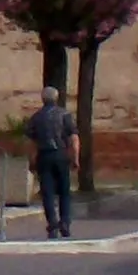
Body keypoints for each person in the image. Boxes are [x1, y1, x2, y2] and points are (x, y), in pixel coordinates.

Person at [26, 82, 79, 237]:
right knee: (64, 191)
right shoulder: (65, 115)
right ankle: (65, 222)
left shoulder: (36, 117)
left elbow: (31, 142)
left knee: (47, 192)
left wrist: (32, 160)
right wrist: (75, 158)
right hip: (61, 155)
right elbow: (74, 139)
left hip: (44, 155)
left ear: (43, 99)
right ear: (57, 98)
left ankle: (53, 224)